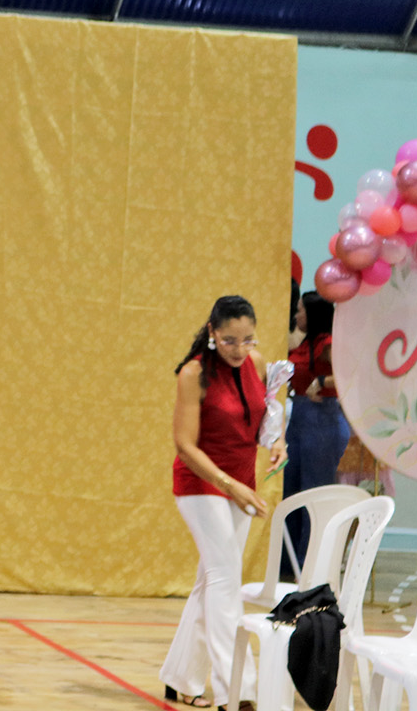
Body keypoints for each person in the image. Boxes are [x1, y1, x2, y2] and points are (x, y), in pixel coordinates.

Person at [161, 295, 285, 709]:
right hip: (202, 483)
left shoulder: (257, 363)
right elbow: (184, 445)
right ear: (213, 333)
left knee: (212, 579)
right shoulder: (193, 373)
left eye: (248, 339)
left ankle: (180, 677)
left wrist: (278, 441)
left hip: (241, 483)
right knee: (225, 579)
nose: (239, 349)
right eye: (230, 340)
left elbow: (270, 410)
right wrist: (228, 485)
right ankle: (237, 691)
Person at [284, 290, 349, 569]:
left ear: (313, 314)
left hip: (322, 421)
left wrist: (322, 381)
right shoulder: (304, 341)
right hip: (299, 419)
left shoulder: (328, 342)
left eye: (300, 310)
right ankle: (287, 564)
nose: (296, 314)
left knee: (313, 491)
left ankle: (310, 564)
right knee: (290, 490)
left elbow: (351, 374)